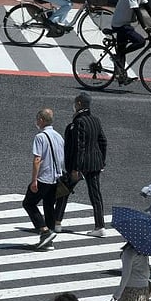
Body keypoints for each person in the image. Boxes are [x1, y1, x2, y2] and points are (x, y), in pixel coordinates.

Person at [54, 92, 108, 236]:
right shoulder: (96, 120)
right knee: (95, 194)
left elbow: (79, 146)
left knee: (63, 190)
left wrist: (76, 168)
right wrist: (102, 161)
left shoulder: (79, 122)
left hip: (80, 165)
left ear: (78, 104)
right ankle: (100, 226)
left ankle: (56, 222)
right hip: (95, 164)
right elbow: (103, 141)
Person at [23, 108, 64, 251]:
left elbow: (37, 159)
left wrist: (34, 180)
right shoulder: (59, 136)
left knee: (29, 203)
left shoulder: (40, 137)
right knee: (48, 206)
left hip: (44, 178)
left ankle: (44, 231)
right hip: (56, 178)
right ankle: (49, 239)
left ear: (41, 120)